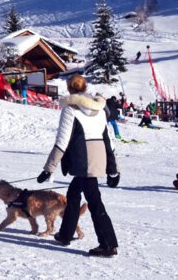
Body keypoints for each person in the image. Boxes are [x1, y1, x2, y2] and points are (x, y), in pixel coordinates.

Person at [37, 74, 120, 257]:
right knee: (73, 193)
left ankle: (108, 244)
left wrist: (49, 169)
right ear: (85, 87)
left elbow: (62, 142)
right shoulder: (99, 109)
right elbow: (108, 140)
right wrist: (114, 170)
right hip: (97, 159)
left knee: (95, 202)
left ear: (69, 89)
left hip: (83, 161)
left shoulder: (70, 109)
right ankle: (65, 234)